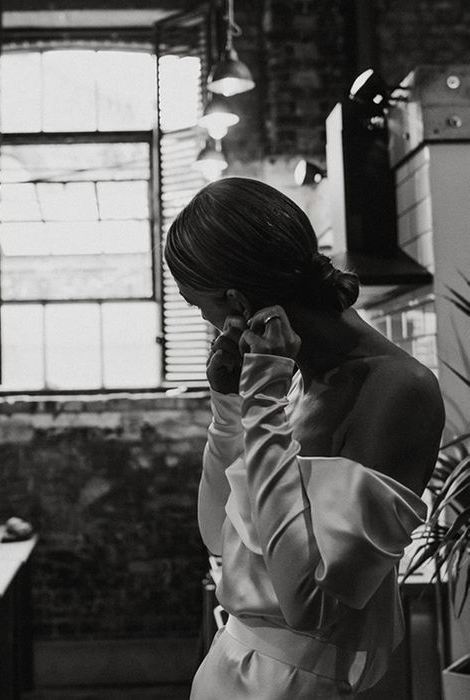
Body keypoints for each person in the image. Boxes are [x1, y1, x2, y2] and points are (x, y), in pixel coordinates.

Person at [164, 177, 444, 698]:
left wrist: (264, 400)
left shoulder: (396, 390)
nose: (203, 322)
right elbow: (216, 534)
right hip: (232, 670)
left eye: (195, 304)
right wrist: (229, 407)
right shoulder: (296, 380)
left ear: (236, 301)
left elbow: (310, 601)